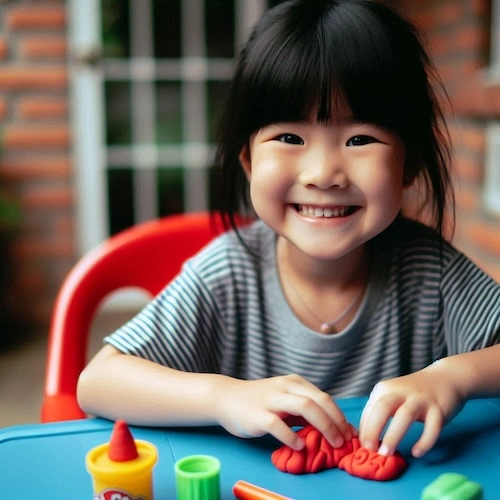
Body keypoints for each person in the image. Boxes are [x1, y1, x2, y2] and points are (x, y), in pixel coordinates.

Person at [77, 0, 500, 460]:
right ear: (248, 160)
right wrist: (223, 398)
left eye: (360, 139)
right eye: (290, 138)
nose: (322, 173)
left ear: (409, 165)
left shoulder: (431, 273)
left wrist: (452, 378)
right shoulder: (227, 274)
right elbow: (98, 382)